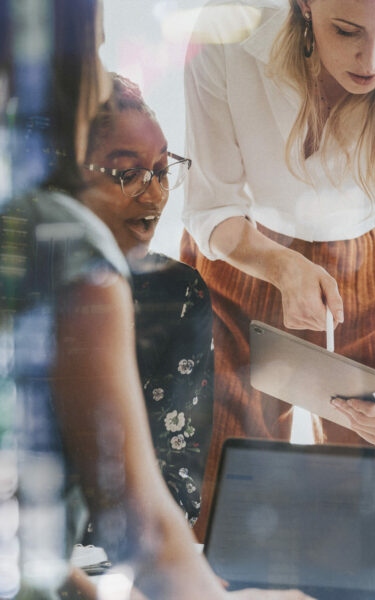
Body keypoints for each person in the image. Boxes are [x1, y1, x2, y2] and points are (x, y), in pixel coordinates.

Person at [0, 1, 309, 598]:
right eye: (91, 46)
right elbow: (139, 522)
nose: (96, 72)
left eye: (163, 170)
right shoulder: (62, 244)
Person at [181, 0, 375, 534]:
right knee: (220, 502)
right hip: (240, 257)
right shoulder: (228, 28)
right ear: (304, 5)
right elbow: (209, 208)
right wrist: (280, 265)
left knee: (367, 514)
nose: (372, 57)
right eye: (346, 30)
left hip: (373, 271)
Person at [79, 73, 213, 527]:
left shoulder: (177, 294)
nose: (154, 195)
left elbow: (177, 485)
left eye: (160, 171)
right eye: (129, 174)